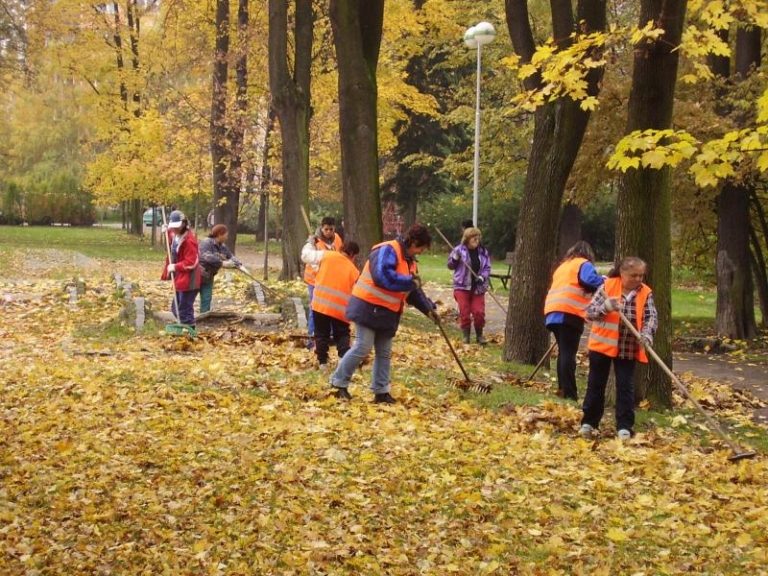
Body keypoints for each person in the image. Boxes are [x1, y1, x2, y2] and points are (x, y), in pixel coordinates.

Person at [330, 223, 439, 403]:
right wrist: (409, 282)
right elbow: (382, 276)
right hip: (367, 307)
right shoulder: (387, 250)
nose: (420, 252)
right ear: (413, 242)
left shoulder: (410, 262)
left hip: (387, 313)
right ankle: (338, 383)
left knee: (384, 352)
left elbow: (414, 292)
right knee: (362, 346)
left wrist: (428, 309)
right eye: (420, 248)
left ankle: (381, 392)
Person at [579, 257, 658, 440]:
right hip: (602, 345)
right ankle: (589, 422)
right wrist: (605, 307)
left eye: (641, 275)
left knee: (625, 387)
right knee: (596, 385)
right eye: (633, 275)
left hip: (627, 347)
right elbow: (589, 313)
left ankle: (624, 427)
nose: (638, 279)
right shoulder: (607, 287)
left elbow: (651, 317)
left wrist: (647, 335)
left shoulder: (645, 292)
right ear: (622, 273)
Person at [543, 241, 604, 400]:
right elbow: (590, 280)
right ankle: (570, 393)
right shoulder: (583, 264)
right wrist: (605, 280)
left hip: (552, 311)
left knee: (563, 352)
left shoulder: (562, 266)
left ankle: (562, 389)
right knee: (568, 353)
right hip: (570, 312)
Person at [301, 239, 361, 369]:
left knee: (321, 333)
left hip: (320, 305)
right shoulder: (354, 271)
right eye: (355, 257)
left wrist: (310, 243)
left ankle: (322, 362)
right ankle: (343, 360)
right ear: (352, 254)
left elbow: (305, 256)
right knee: (342, 334)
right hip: (340, 309)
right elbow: (356, 293)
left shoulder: (326, 255)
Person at [447, 227, 492, 344]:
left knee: (479, 312)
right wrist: (455, 259)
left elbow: (487, 267)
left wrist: (482, 277)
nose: (477, 240)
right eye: (474, 237)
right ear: (467, 239)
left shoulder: (483, 252)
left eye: (478, 237)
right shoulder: (459, 250)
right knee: (465, 312)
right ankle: (466, 337)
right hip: (462, 287)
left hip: (478, 288)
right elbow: (450, 265)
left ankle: (479, 336)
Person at [303, 216, 344, 347]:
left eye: (331, 229)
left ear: (334, 228)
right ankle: (312, 339)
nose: (329, 232)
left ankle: (328, 337)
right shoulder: (313, 241)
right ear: (322, 228)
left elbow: (340, 255)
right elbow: (308, 257)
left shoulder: (337, 239)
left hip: (329, 280)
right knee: (315, 309)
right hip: (314, 280)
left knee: (330, 308)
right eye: (326, 229)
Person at [161, 210, 202, 328]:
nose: (174, 229)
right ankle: (184, 328)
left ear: (184, 224)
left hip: (190, 281)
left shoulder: (189, 241)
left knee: (184, 309)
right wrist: (166, 231)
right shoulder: (176, 234)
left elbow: (191, 262)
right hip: (180, 278)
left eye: (177, 226)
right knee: (176, 309)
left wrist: (175, 266)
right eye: (172, 227)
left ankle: (190, 330)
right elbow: (172, 238)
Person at [198, 224, 241, 313]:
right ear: (219, 234)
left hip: (209, 276)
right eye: (226, 235)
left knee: (206, 298)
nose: (227, 237)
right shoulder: (206, 242)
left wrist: (239, 265)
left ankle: (203, 317)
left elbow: (230, 256)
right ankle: (183, 317)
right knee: (189, 297)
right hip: (197, 275)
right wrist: (222, 263)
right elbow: (207, 257)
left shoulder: (222, 246)